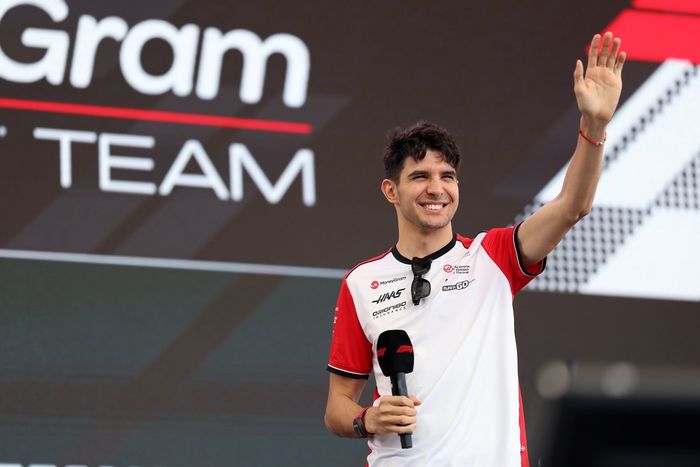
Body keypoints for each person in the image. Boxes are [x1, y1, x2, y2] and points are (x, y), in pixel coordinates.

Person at [324, 32, 626, 466]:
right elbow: (337, 407)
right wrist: (367, 418)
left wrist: (594, 126)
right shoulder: (361, 282)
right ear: (391, 190)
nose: (437, 189)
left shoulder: (492, 256)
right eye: (420, 177)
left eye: (447, 176)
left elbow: (572, 206)